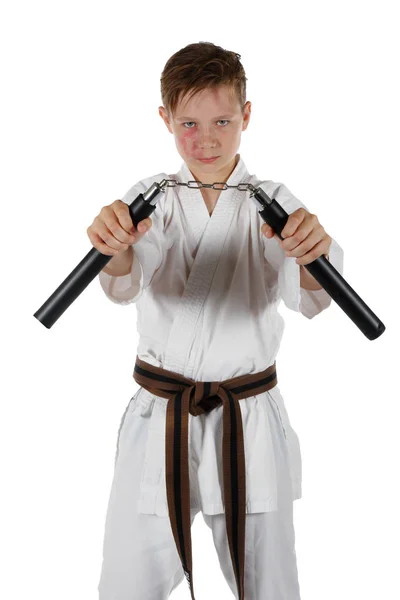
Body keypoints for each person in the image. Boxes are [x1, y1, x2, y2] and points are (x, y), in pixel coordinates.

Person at [88, 42, 344, 600]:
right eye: (189, 124)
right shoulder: (150, 200)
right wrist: (115, 245)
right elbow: (129, 274)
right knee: (124, 583)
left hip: (246, 417)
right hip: (161, 415)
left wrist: (310, 252)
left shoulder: (273, 203)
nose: (205, 139)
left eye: (222, 120)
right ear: (165, 120)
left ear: (246, 116)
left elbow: (307, 293)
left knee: (270, 586)